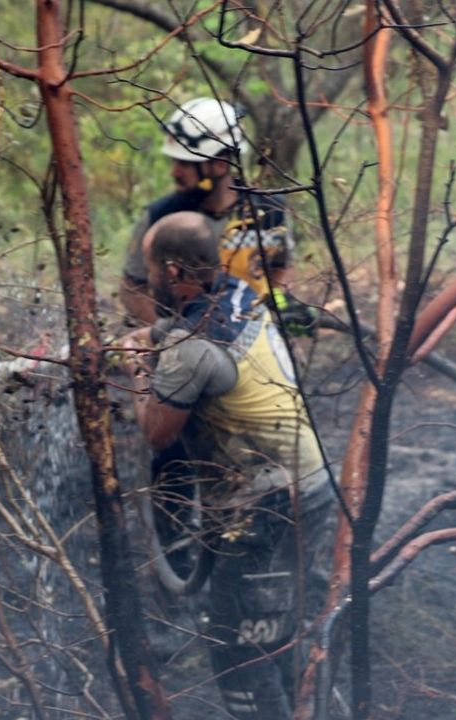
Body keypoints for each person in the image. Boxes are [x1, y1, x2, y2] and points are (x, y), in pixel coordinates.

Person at [121, 212, 332, 719]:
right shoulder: (239, 293)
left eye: (148, 269)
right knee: (277, 635)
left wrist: (135, 366)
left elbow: (157, 432)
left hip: (265, 509)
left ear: (172, 274)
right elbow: (197, 339)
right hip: (311, 488)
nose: (144, 280)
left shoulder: (192, 350)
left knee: (239, 652)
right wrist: (154, 338)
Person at [119, 97, 313, 334]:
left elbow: (281, 267)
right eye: (174, 161)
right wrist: (170, 338)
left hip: (253, 340)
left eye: (186, 163)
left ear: (220, 164)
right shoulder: (162, 217)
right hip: (187, 350)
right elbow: (133, 290)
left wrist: (280, 305)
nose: (174, 172)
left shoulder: (269, 211)